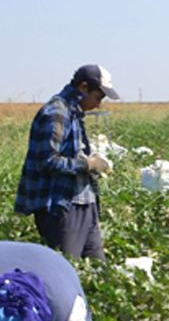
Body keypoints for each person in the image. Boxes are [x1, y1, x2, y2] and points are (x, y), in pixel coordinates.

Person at [13, 64, 120, 260]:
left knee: (98, 271)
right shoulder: (56, 113)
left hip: (85, 204)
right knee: (68, 269)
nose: (98, 105)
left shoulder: (73, 113)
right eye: (98, 97)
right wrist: (87, 165)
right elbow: (46, 161)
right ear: (83, 88)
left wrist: (94, 165)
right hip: (62, 209)